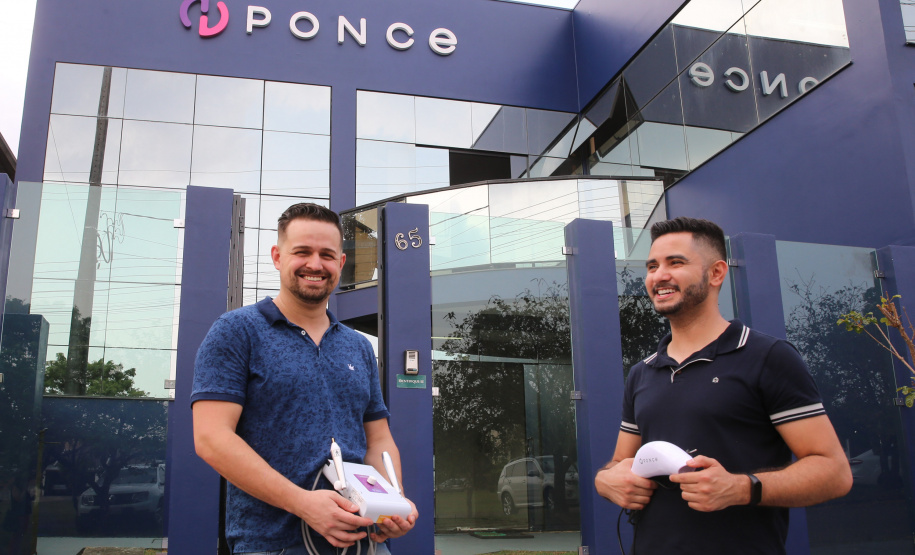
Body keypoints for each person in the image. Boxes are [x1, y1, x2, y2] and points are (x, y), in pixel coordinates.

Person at [594, 217, 852, 554]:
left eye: (676, 262)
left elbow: (834, 472)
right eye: (652, 266)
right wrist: (606, 481)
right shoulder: (642, 373)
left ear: (716, 273)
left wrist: (741, 488)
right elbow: (617, 464)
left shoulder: (768, 357)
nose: (659, 276)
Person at [192, 203, 418, 555]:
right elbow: (211, 438)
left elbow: (378, 441)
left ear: (340, 264)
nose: (315, 264)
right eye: (302, 252)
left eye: (327, 254)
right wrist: (303, 503)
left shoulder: (358, 346)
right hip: (271, 546)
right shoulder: (236, 332)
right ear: (277, 256)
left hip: (364, 546)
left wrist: (393, 500)